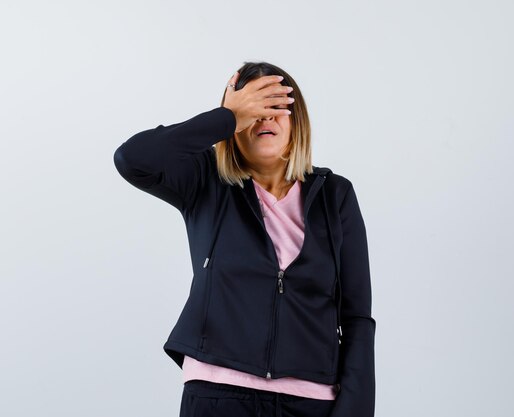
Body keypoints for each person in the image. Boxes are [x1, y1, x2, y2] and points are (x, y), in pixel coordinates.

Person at [113, 61, 376, 417]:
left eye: (276, 106)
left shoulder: (335, 195)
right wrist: (225, 116)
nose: (265, 118)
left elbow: (356, 314)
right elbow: (133, 158)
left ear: (296, 123)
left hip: (312, 401)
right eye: (254, 108)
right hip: (217, 395)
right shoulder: (205, 182)